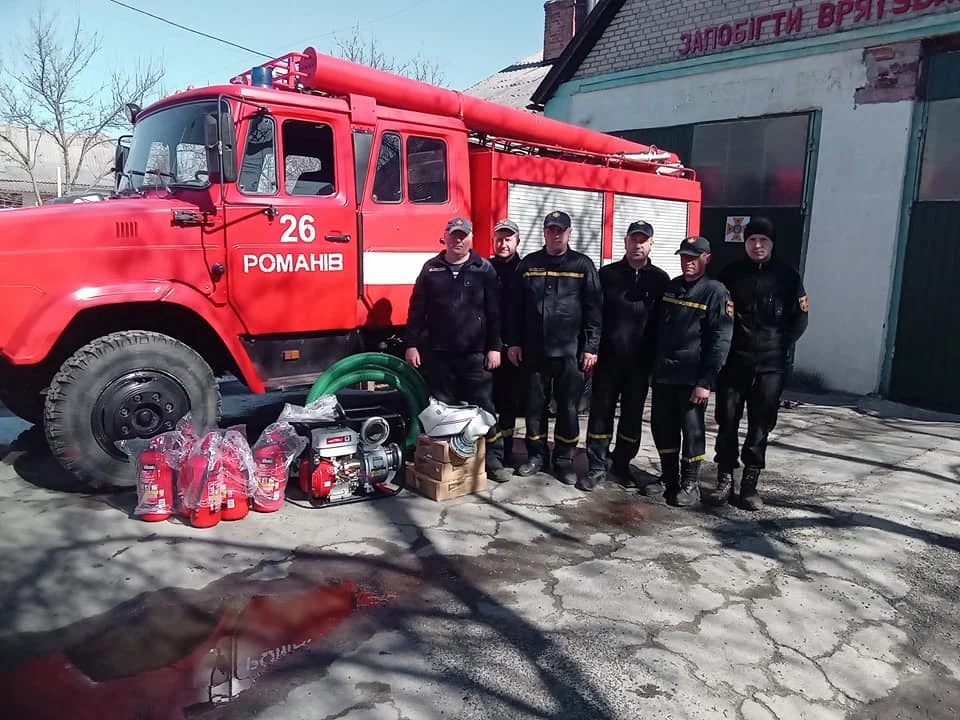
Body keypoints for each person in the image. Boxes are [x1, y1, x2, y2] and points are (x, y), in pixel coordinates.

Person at [707, 216, 809, 510]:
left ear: (772, 243)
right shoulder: (730, 274)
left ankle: (750, 483)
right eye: (752, 240)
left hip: (770, 366)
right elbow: (718, 316)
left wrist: (780, 346)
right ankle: (724, 478)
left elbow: (800, 318)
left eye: (763, 240)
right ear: (745, 243)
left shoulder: (787, 276)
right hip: (734, 363)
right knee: (726, 422)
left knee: (760, 425)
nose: (757, 245)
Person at [404, 216, 506, 480]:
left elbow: (495, 312)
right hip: (439, 354)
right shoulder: (431, 269)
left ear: (471, 239)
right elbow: (416, 311)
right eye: (454, 235)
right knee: (442, 410)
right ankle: (447, 461)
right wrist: (412, 344)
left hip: (475, 354)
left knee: (483, 408)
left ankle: (493, 458)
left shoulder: (484, 269)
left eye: (463, 235)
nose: (458, 240)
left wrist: (495, 347)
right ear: (445, 237)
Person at [505, 210, 602, 486]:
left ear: (569, 233)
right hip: (534, 351)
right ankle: (537, 456)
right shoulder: (528, 265)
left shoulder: (582, 265)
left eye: (560, 230)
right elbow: (515, 309)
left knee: (568, 409)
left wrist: (591, 347)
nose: (555, 234)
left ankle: (563, 460)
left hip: (570, 353)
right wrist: (513, 342)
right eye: (551, 229)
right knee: (535, 406)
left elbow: (594, 309)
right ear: (544, 232)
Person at [582, 220, 670, 492]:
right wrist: (591, 347)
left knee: (632, 417)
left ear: (651, 244)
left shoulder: (660, 280)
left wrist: (658, 362)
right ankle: (597, 466)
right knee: (600, 414)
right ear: (625, 242)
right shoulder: (607, 275)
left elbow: (665, 325)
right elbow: (593, 315)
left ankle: (621, 465)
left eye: (643, 240)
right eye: (633, 239)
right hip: (608, 360)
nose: (638, 245)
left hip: (640, 364)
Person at [650, 235, 733, 507]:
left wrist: (706, 381)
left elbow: (720, 340)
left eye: (694, 258)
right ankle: (669, 478)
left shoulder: (715, 291)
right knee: (663, 428)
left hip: (692, 377)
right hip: (664, 374)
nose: (688, 263)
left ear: (706, 259)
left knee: (692, 430)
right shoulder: (672, 288)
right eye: (684, 257)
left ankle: (690, 483)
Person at [488, 218, 525, 478]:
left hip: (515, 348)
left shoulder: (526, 269)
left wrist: (518, 343)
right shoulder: (483, 268)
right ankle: (492, 454)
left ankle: (508, 450)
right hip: (489, 347)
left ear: (517, 242)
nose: (503, 243)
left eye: (508, 239)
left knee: (510, 403)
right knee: (487, 402)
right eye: (499, 239)